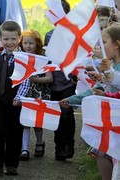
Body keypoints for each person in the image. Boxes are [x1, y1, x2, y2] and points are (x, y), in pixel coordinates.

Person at [60, 24, 120, 180]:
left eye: (104, 42)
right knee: (102, 151)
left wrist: (106, 80)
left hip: (116, 121)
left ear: (116, 44)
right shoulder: (112, 66)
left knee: (104, 151)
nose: (101, 46)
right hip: (113, 120)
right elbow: (100, 89)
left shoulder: (114, 68)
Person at [0, 21, 29, 176]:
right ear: (0, 38)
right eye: (6, 39)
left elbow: (25, 81)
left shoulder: (23, 58)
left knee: (14, 132)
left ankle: (11, 164)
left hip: (15, 101)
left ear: (19, 39)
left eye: (13, 39)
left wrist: (19, 97)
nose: (9, 42)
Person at [44, 0, 77, 161]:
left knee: (66, 113)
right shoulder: (49, 35)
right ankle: (58, 147)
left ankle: (68, 145)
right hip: (54, 81)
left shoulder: (74, 34)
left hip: (69, 80)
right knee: (57, 114)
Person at [19, 30, 53, 161]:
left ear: (37, 44)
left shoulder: (43, 59)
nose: (28, 46)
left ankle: (39, 142)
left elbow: (49, 78)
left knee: (37, 121)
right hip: (24, 92)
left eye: (31, 43)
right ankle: (24, 148)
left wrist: (35, 79)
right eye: (25, 43)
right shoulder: (21, 57)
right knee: (25, 121)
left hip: (39, 93)